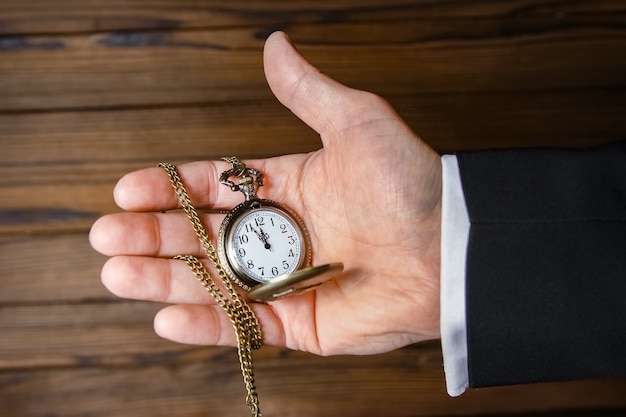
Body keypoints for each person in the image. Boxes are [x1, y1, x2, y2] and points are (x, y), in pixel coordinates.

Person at [89, 31, 626, 396]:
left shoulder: (270, 227)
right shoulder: (249, 230)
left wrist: (437, 242)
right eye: (263, 242)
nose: (272, 240)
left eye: (270, 238)